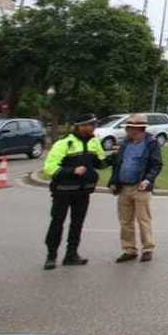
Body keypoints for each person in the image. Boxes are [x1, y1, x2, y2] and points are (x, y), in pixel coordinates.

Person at [42, 115, 107, 269]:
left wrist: (114, 159)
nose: (94, 127)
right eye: (90, 124)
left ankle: (71, 254)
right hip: (63, 192)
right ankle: (51, 256)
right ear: (80, 126)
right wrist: (72, 171)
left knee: (77, 224)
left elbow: (100, 163)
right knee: (57, 223)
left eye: (94, 124)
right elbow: (49, 167)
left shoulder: (94, 142)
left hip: (83, 192)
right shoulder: (64, 143)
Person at [108, 114, 164, 263]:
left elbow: (157, 164)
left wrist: (147, 180)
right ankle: (129, 250)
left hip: (141, 187)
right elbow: (118, 164)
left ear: (140, 129)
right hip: (124, 187)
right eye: (127, 128)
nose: (128, 131)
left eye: (130, 128)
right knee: (125, 221)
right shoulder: (125, 142)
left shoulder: (151, 143)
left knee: (143, 219)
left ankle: (148, 248)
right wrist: (113, 182)